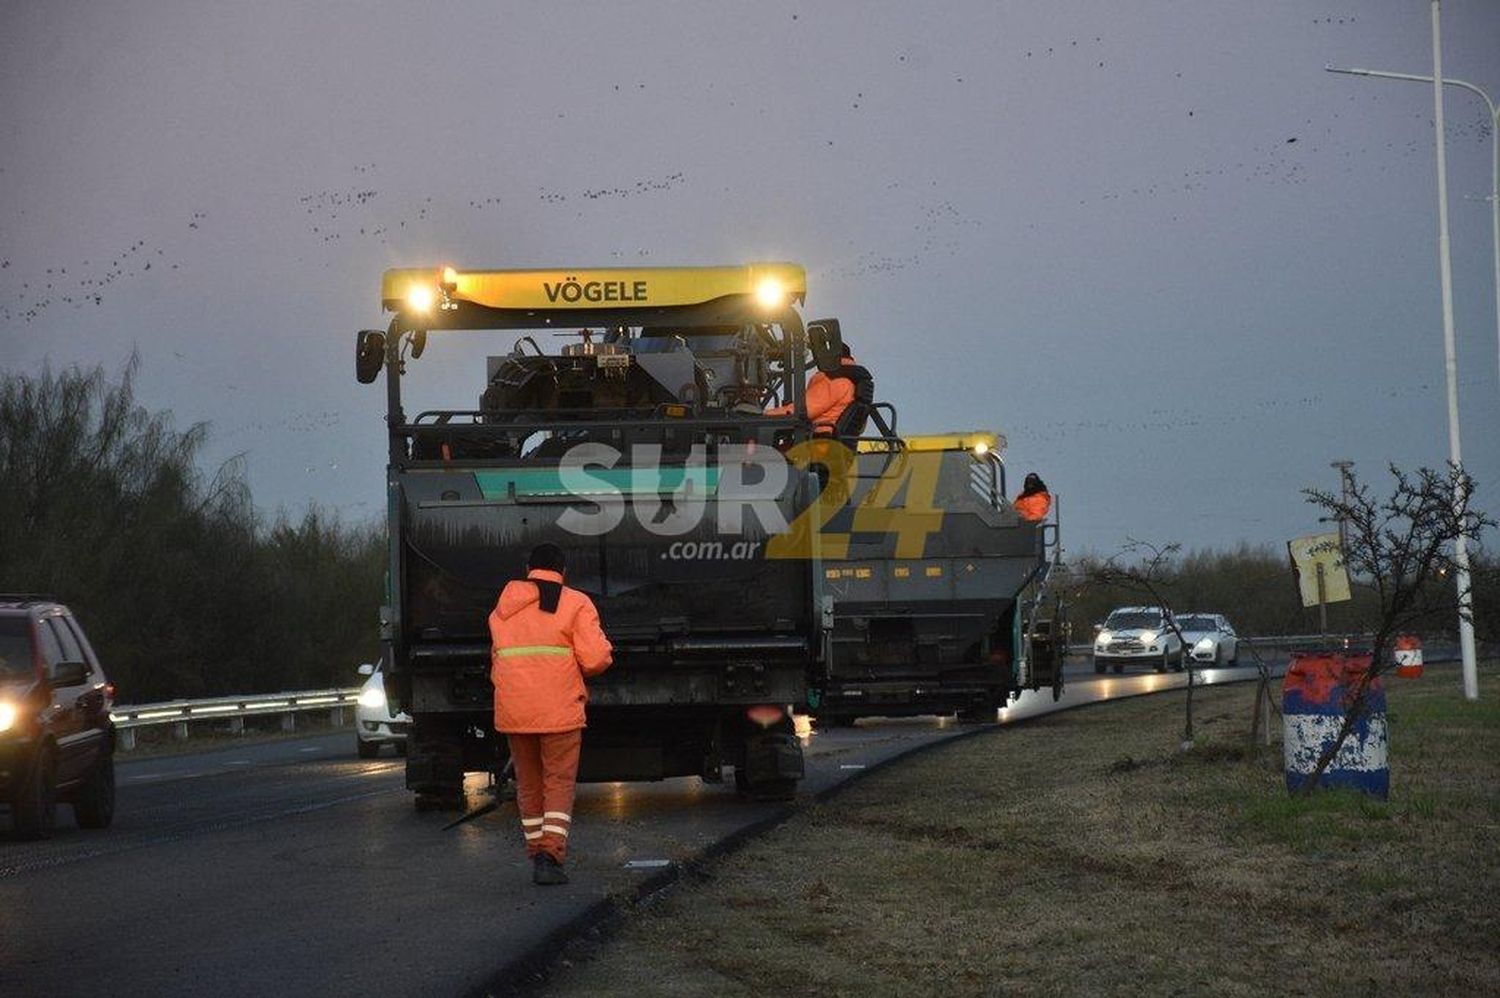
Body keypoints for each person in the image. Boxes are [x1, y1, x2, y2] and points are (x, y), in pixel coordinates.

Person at [488, 542, 613, 885]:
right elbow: (595, 659)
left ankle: (536, 853)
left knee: (528, 785)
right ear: (563, 570)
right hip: (559, 710)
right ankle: (551, 855)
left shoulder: (502, 609)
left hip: (515, 710)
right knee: (557, 783)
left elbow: (498, 660)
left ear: (529, 568)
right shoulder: (575, 603)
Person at [764, 343, 868, 436]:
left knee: (766, 453)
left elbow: (801, 411)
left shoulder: (834, 381)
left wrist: (763, 415)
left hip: (820, 440)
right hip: (827, 440)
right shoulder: (851, 381)